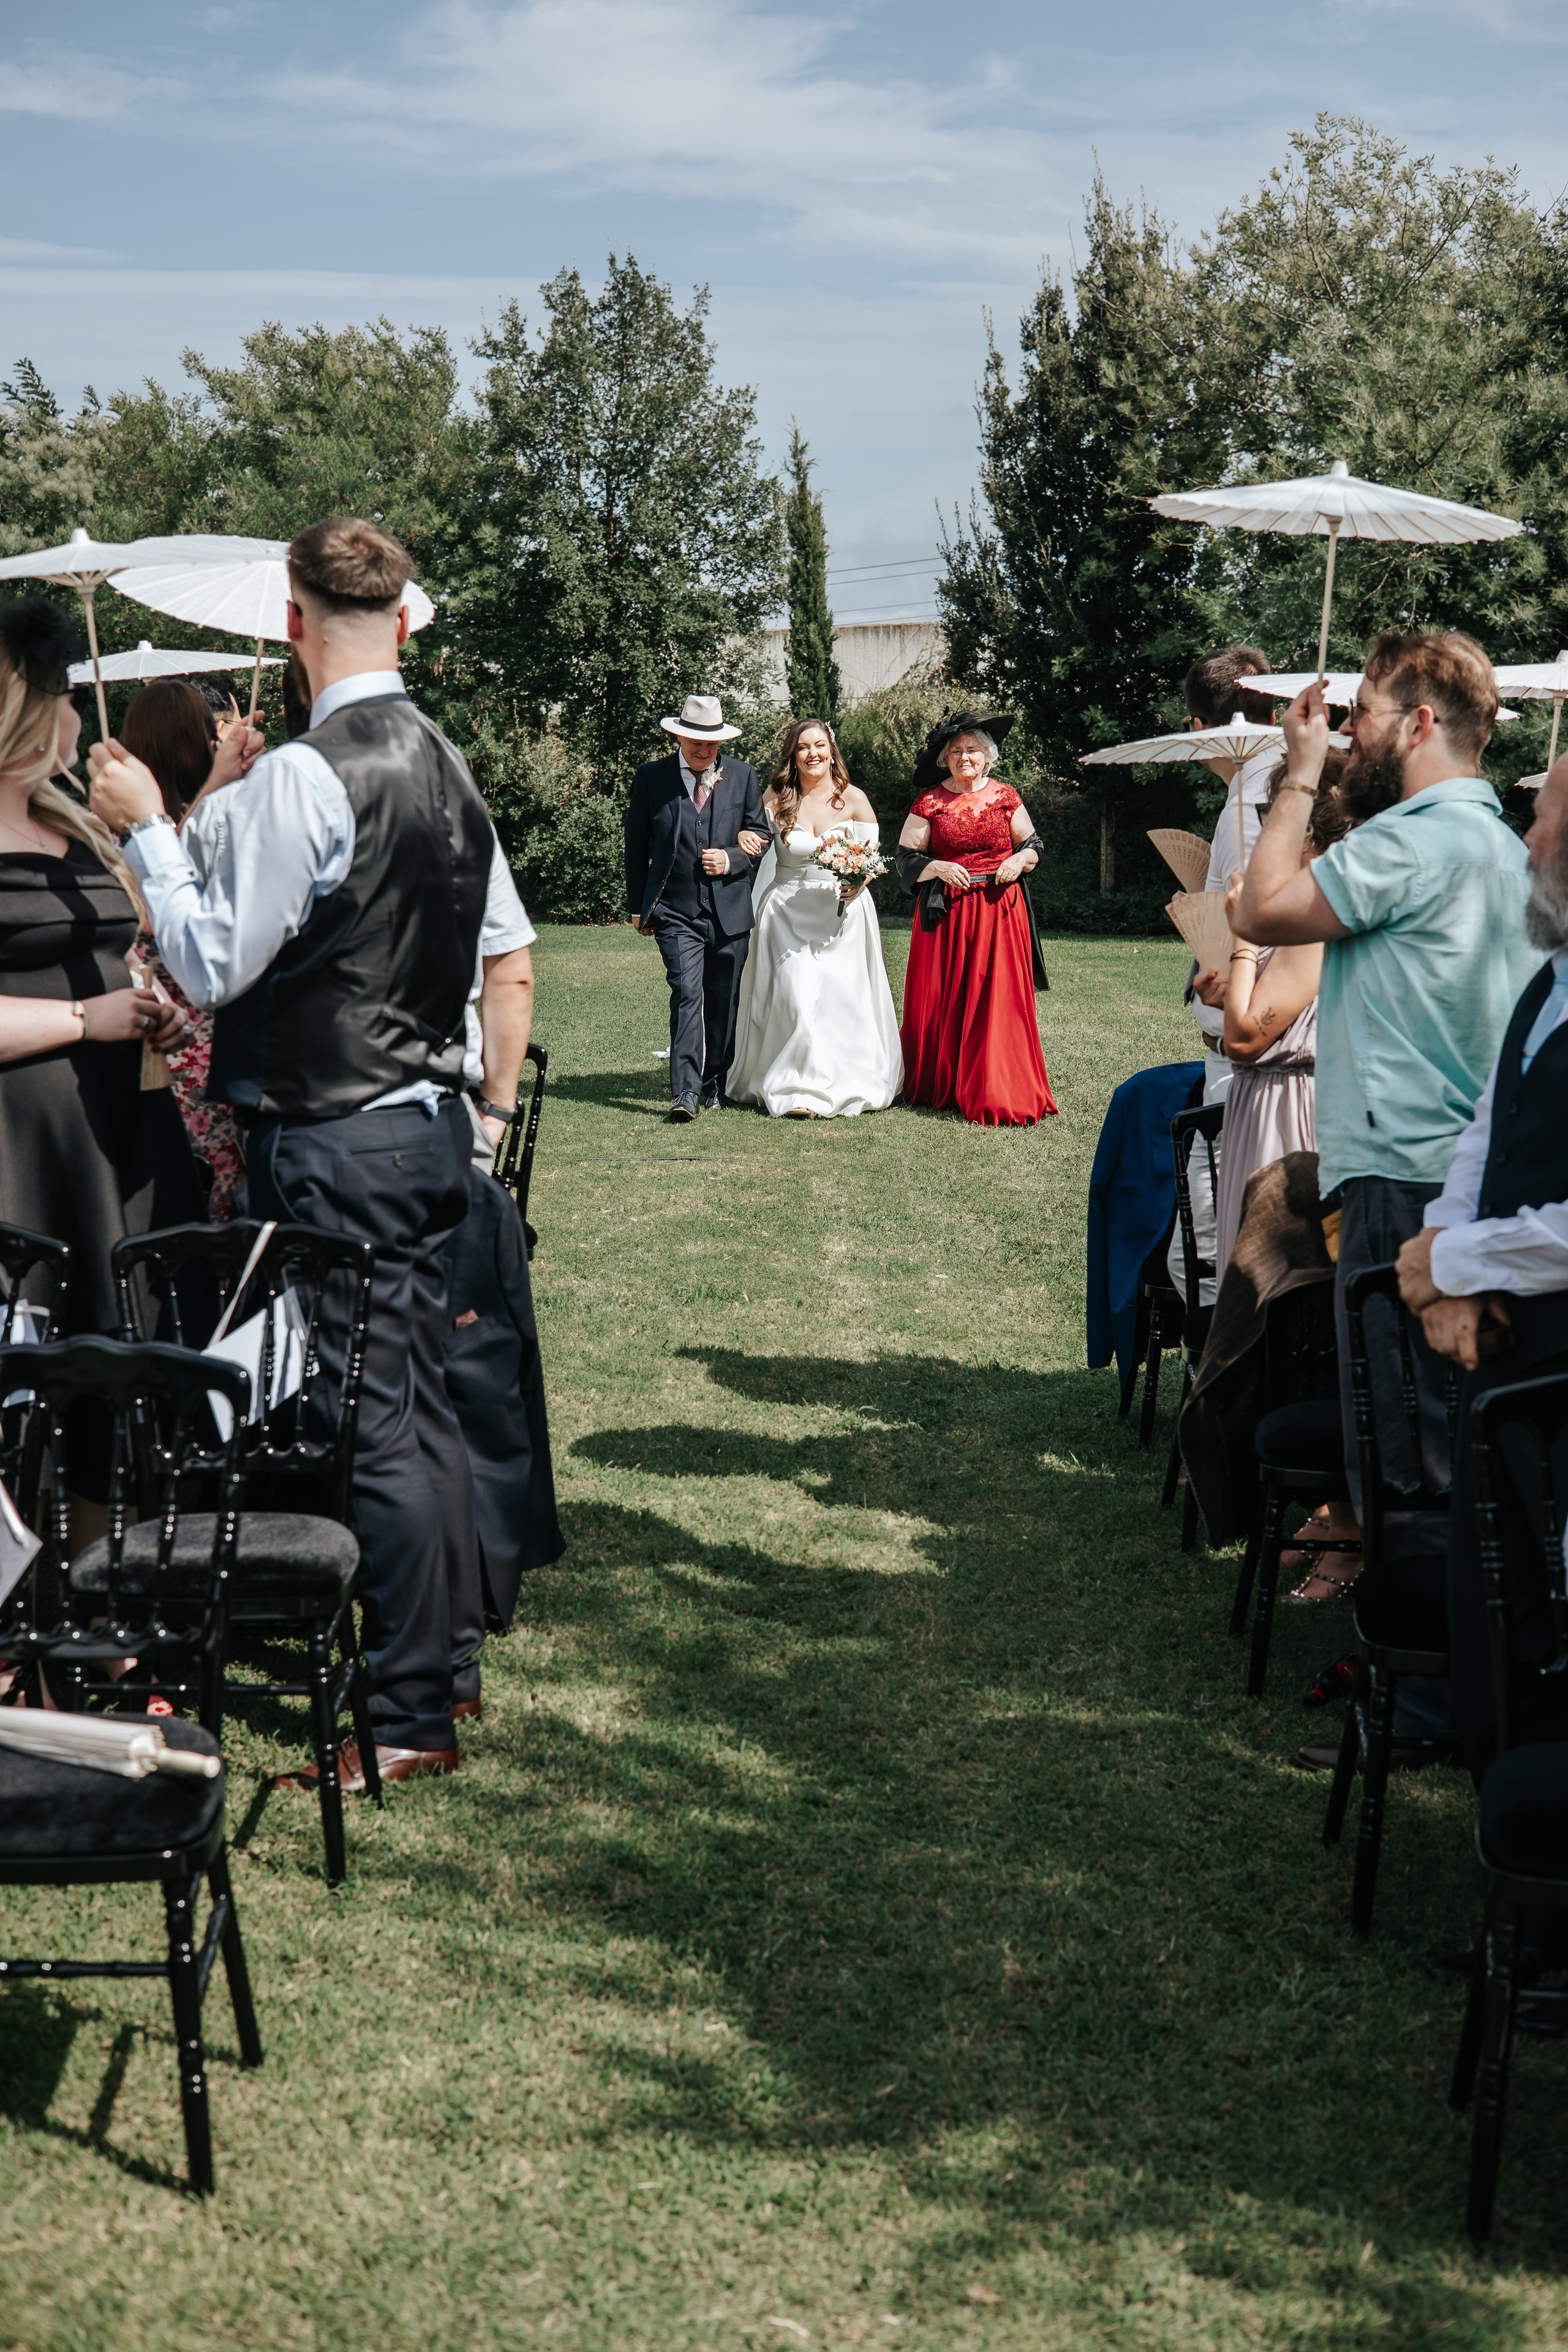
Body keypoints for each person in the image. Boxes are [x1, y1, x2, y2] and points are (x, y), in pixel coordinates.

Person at [88, 516, 494, 1790]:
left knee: (374, 1428)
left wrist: (151, 825)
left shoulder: (313, 776)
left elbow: (209, 963)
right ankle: (443, 1673)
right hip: (425, 1123)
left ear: (293, 619)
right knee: (421, 1414)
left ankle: (409, 1716)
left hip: (336, 1138)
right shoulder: (447, 763)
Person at [1234, 632, 1537, 1751]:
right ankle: (1450, 1677)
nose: (1351, 726)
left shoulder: (1417, 838)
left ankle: (1426, 1703)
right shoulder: (1498, 844)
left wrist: (1300, 768)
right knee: (1448, 1445)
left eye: (1362, 711)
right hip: (1462, 1176)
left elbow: (1261, 910)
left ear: (1417, 724)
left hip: (1410, 1187)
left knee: (1408, 1455)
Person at [1395, 753, 1568, 1769]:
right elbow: (1486, 1129)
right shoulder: (1550, 977)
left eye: (1543, 823)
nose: (1529, 842)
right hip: (1511, 1360)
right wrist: (1439, 1259)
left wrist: (1461, 1256)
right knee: (1503, 1616)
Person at [0, 597, 198, 1352]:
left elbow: (119, 955)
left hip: (125, 1130)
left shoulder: (74, 822)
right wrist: (85, 1019)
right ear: (28, 708)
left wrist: (147, 1009)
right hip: (22, 1147)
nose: (82, 717)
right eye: (71, 697)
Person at [441, 861, 565, 1630]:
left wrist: (492, 1109)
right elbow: (509, 975)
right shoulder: (449, 806)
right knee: (469, 1358)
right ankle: (482, 1569)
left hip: (330, 1125)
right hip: (442, 1116)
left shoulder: (276, 801)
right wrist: (493, 1105)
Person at [118, 680, 257, 1216]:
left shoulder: (218, 815)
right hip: (198, 1027)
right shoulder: (128, 829)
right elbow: (158, 887)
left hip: (153, 1026)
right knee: (216, 1180)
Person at [727, 717, 903, 1118]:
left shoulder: (853, 798)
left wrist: (861, 882)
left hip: (840, 914)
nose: (813, 754)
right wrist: (741, 836)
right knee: (796, 993)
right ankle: (797, 1090)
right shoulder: (776, 796)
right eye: (804, 747)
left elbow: (871, 859)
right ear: (793, 754)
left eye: (820, 745)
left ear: (831, 750)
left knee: (837, 1000)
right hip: (786, 911)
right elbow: (745, 833)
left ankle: (841, 1078)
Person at [896, 713, 1055, 1127]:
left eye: (972, 751)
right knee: (948, 998)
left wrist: (1020, 859)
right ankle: (943, 1085)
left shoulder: (1006, 795)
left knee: (997, 997)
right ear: (946, 760)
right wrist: (938, 869)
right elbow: (907, 858)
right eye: (956, 752)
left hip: (1001, 911)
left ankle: (999, 1087)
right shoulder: (929, 801)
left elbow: (1033, 843)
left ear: (988, 758)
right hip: (947, 915)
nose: (964, 757)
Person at [624, 693, 769, 1121]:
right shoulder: (651, 778)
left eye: (711, 744)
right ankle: (684, 1093)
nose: (703, 751)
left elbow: (760, 834)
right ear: (679, 737)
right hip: (674, 909)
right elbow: (637, 845)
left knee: (723, 999)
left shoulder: (742, 776)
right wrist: (638, 906)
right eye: (695, 743)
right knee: (686, 992)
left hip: (730, 909)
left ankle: (715, 1084)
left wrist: (733, 859)